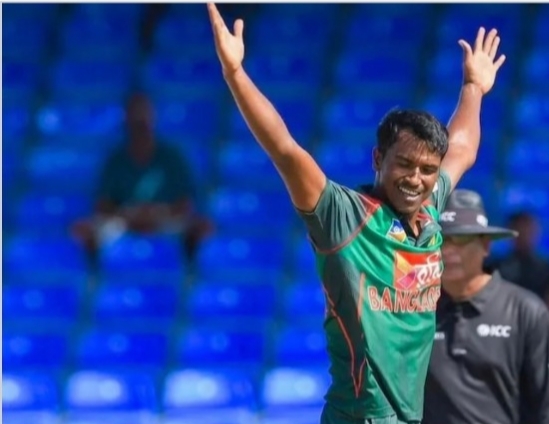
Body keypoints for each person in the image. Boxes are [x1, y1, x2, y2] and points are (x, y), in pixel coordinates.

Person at [206, 3, 506, 423]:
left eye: (427, 170)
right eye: (404, 165)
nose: (416, 179)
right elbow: (286, 150)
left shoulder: (429, 210)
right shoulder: (342, 216)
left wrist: (473, 87)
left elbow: (462, 148)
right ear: (378, 159)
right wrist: (236, 74)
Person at [424, 190, 549, 424]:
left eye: (461, 239)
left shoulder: (526, 311)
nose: (448, 250)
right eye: (440, 239)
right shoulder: (415, 309)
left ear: (486, 245)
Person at [71, 93, 211, 261]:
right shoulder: (116, 160)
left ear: (153, 120)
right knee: (85, 230)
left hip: (165, 220)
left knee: (201, 228)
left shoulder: (172, 157)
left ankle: (189, 271)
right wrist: (131, 214)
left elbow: (185, 203)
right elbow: (103, 204)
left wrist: (156, 213)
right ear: (127, 122)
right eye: (136, 121)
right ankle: (94, 273)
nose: (140, 126)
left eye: (144, 120)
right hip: (124, 221)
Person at [485, 211, 549, 359]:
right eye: (520, 229)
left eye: (529, 229)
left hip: (536, 323)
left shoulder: (545, 265)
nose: (525, 234)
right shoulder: (496, 265)